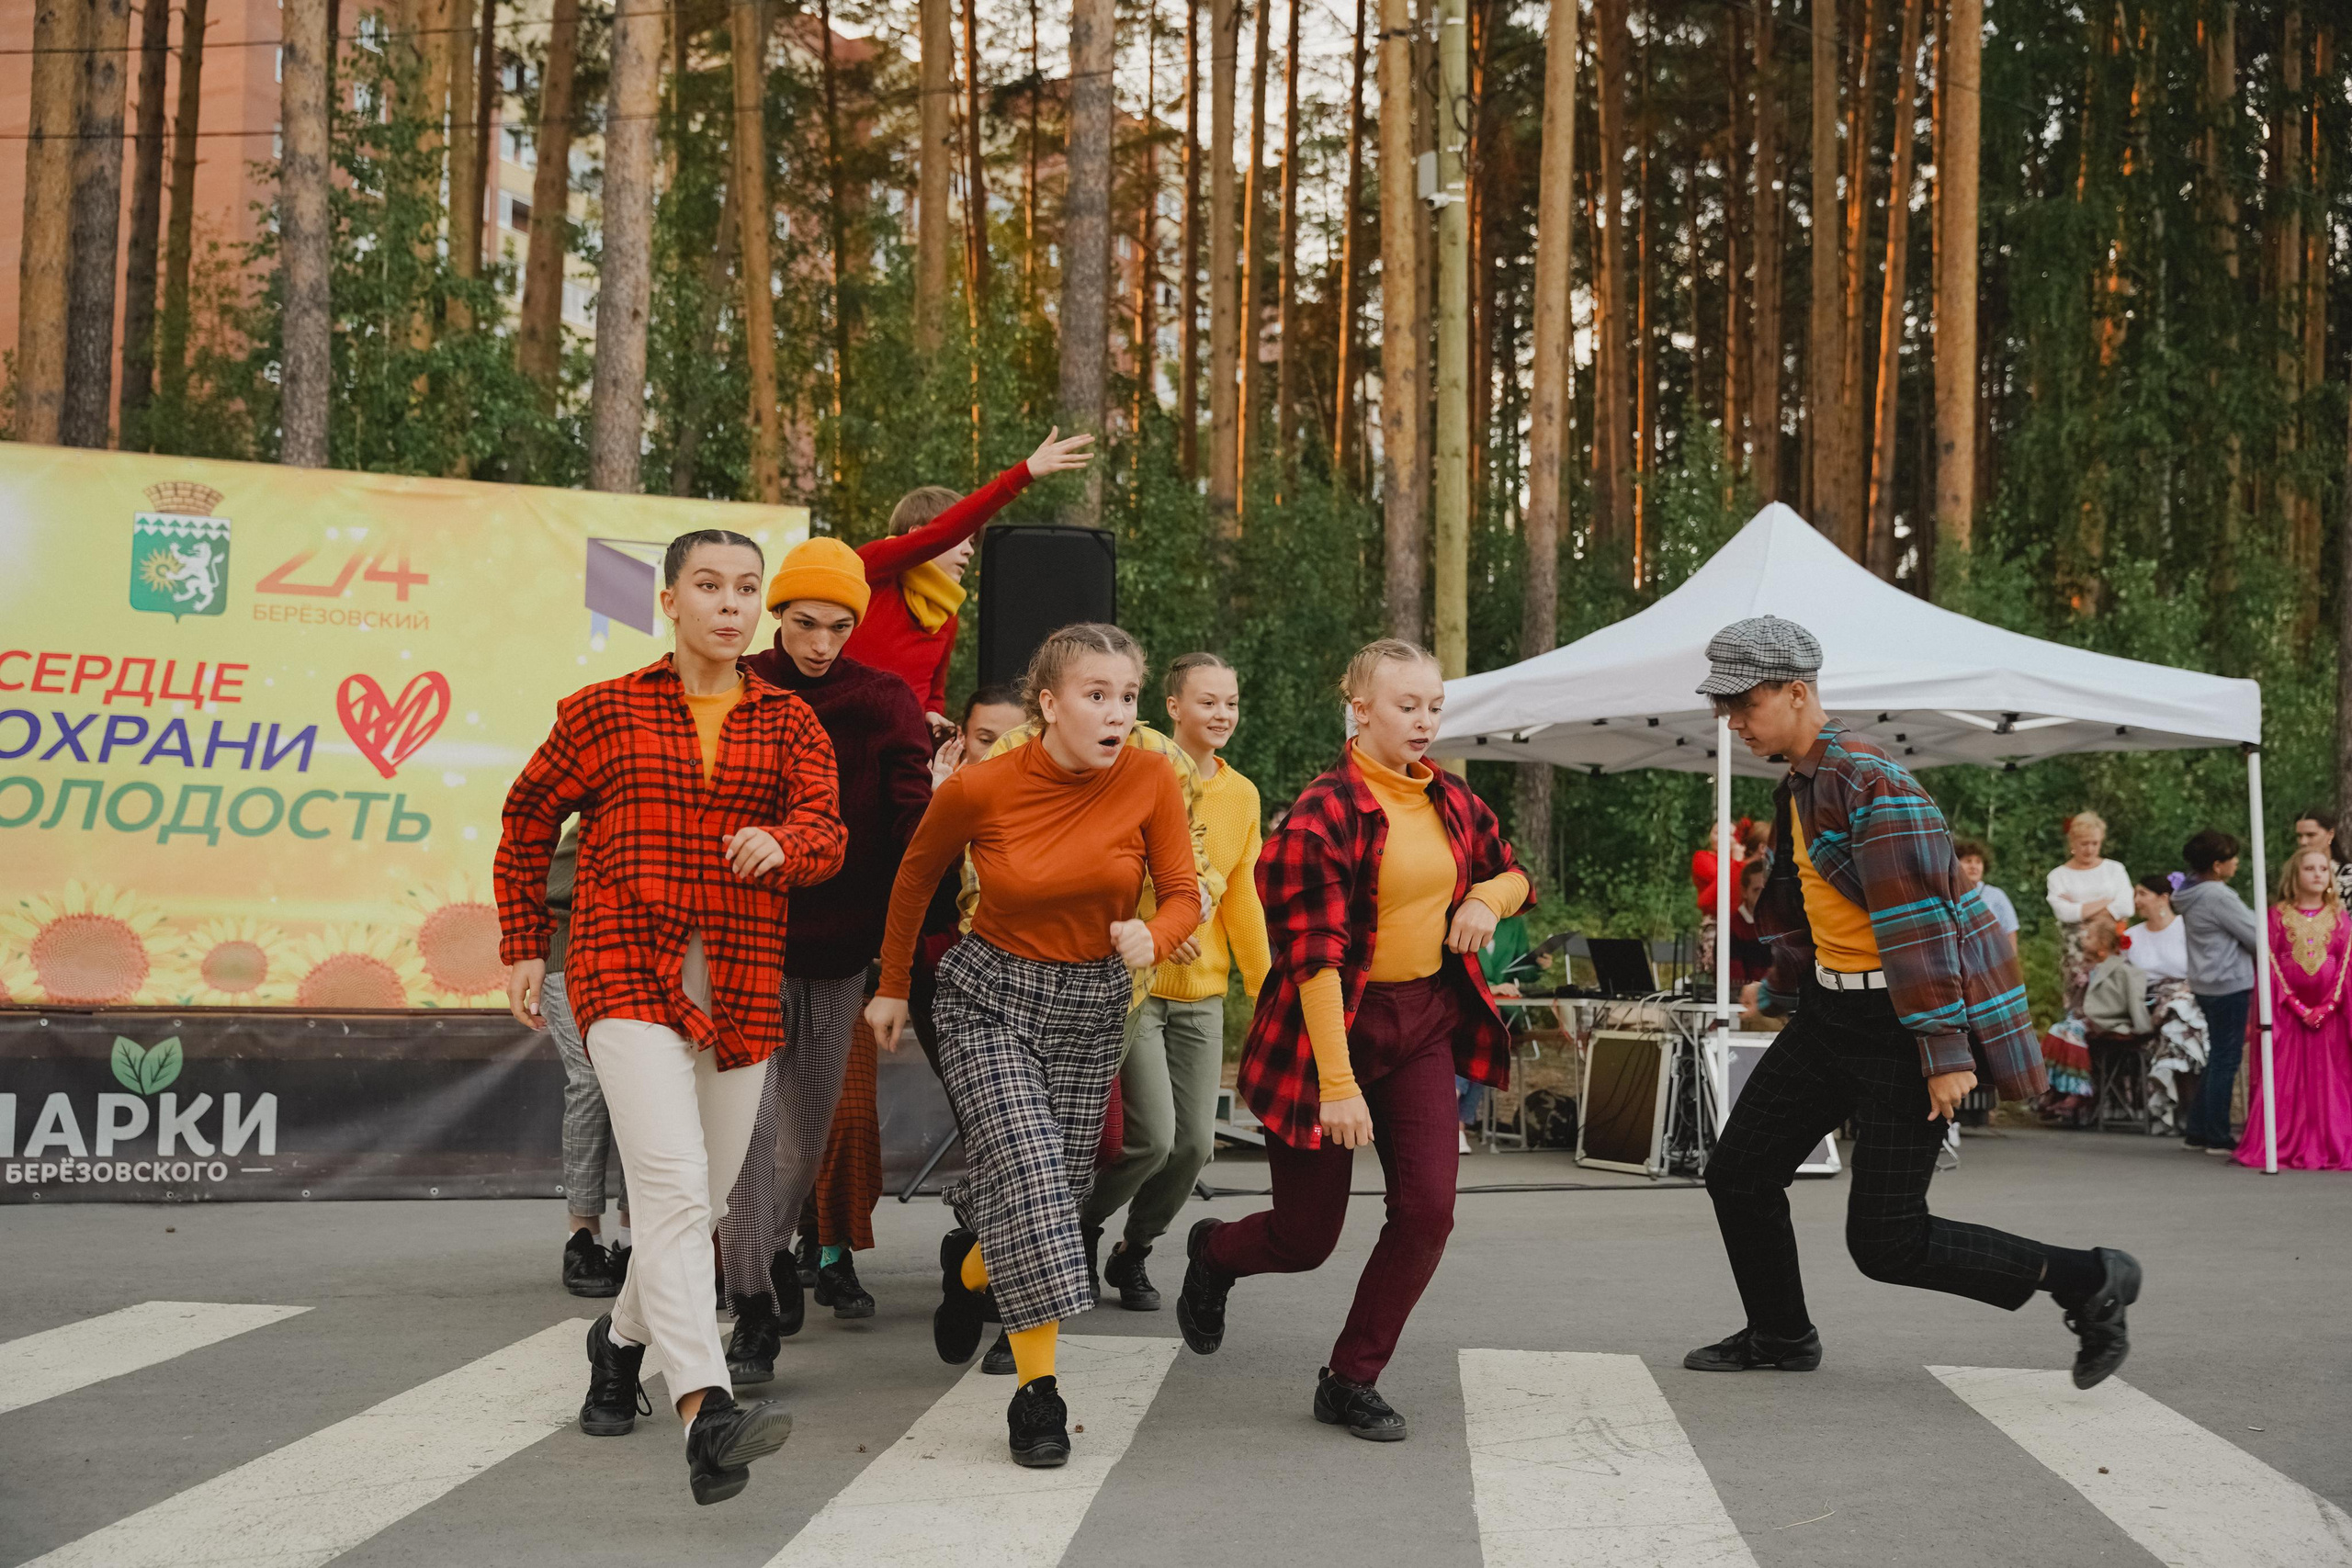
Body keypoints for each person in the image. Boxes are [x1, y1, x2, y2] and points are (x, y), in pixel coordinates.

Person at [1683, 615, 2141, 1392]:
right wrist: (1783, 985)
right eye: (1725, 707)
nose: (1733, 722)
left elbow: (1921, 922)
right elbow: (1817, 907)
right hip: (1831, 1017)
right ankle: (1781, 1333)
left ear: (1796, 692)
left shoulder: (1869, 782)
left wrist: (1943, 1050)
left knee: (1887, 1242)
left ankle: (2089, 1277)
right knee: (1739, 1172)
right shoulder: (1800, 782)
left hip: (1900, 1028)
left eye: (1744, 704)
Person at [496, 529, 846, 1505]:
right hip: (621, 965)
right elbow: (527, 818)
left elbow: (827, 829)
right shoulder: (602, 711)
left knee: (702, 1203)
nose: (731, 605)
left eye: (746, 588)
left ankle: (618, 1346)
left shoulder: (788, 720)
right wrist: (523, 939)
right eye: (710, 585)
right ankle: (705, 1408)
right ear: (670, 601)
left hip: (740, 975)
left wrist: (785, 844)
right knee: (672, 1182)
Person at [1173, 638, 1532, 1443]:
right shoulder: (1321, 813)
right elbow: (1315, 961)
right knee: (1306, 1238)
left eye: (1434, 706)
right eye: (1408, 705)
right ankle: (1216, 1252)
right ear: (1361, 710)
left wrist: (1488, 898)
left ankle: (1350, 1377)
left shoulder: (1451, 797)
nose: (1425, 720)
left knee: (1428, 1212)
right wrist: (1337, 1083)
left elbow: (1513, 869)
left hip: (1422, 1021)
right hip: (1323, 1029)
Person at [865, 623, 1202, 1468]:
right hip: (989, 997)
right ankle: (1037, 1393)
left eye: (1128, 695)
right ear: (1048, 703)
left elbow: (1184, 893)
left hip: (1091, 1004)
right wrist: (894, 984)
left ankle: (973, 1270)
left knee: (1055, 1187)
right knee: (1031, 1172)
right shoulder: (981, 787)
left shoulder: (1152, 777)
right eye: (1097, 694)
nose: (1118, 712)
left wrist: (1155, 935)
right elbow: (914, 876)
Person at [712, 538, 933, 1381]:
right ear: (777, 613)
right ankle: (753, 1302)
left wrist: (932, 899)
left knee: (805, 1141)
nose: (821, 642)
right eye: (805, 622)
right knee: (750, 1133)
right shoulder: (738, 686)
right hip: (745, 946)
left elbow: (913, 818)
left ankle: (767, 1250)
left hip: (841, 952)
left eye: (840, 626)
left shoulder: (884, 699)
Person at [1081, 652, 1271, 1313]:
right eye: (1208, 701)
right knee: (1151, 1139)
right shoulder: (1136, 771)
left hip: (1204, 992)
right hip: (1137, 983)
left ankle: (1134, 1248)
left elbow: (1242, 893)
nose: (1222, 714)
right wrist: (1162, 926)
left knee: (1194, 1146)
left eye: (1231, 703)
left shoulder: (1243, 795)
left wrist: (1266, 986)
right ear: (1173, 707)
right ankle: (1078, 1225)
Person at [842, 429, 1094, 733]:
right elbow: (943, 532)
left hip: (901, 742)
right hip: (847, 731)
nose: (969, 550)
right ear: (917, 535)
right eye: (962, 538)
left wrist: (932, 714)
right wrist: (1022, 473)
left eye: (973, 542)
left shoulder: (946, 609)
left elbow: (934, 693)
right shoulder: (871, 569)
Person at [546, 823, 632, 1297]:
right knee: (591, 1082)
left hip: (645, 963)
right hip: (571, 952)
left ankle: (632, 1239)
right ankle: (583, 1236)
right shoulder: (603, 811)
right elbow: (553, 891)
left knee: (646, 1089)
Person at [2235, 847, 2352, 1169]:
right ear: (2295, 875)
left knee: (2330, 1083)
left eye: (2323, 869)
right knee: (2285, 1082)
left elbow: (2346, 965)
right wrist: (2297, 1006)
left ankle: (2329, 1143)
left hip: (2330, 1019)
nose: (2318, 874)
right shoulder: (2275, 917)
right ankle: (2285, 1141)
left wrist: (2328, 1006)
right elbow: (2270, 964)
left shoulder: (2340, 918)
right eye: (2309, 868)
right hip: (2287, 1016)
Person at [2173, 829, 2260, 1154]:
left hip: (2205, 982)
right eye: (2231, 858)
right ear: (2217, 865)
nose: (2236, 863)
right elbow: (2255, 935)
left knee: (2218, 1055)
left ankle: (2197, 1130)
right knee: (2227, 1058)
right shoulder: (2218, 896)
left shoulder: (2189, 893)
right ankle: (2217, 1133)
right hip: (2229, 982)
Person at [2124, 873, 2208, 1134]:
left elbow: (2203, 966)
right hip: (2148, 1002)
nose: (2136, 900)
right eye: (2135, 894)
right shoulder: (2131, 936)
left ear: (2163, 898)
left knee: (2180, 1020)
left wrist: (2185, 990)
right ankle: (2190, 1111)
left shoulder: (2186, 927)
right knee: (2180, 1023)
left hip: (2188, 995)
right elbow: (2123, 978)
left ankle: (2183, 1108)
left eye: (2142, 894)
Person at [2047, 813, 2132, 1014]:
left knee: (2114, 994)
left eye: (2095, 843)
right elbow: (2064, 913)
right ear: (2073, 843)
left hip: (2112, 943)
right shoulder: (2059, 876)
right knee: (2079, 994)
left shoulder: (2115, 870)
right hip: (2076, 949)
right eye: (2084, 843)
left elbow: (2126, 906)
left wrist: (2080, 907)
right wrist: (2106, 902)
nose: (2090, 849)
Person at [1952, 837, 2018, 947]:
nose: (1973, 866)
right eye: (1968, 861)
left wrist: (2012, 957)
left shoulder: (1996, 896)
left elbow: (2010, 932)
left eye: (1978, 862)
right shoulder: (1948, 896)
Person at [2290, 808, 2352, 908]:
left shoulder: (2348, 876)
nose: (2303, 842)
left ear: (2330, 834)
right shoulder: (2293, 874)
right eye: (2299, 836)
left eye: (2311, 835)